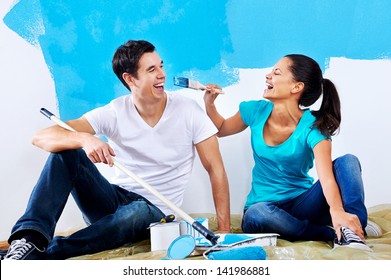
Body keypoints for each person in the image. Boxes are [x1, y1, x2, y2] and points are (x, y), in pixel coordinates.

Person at [2, 40, 230, 260]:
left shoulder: (188, 111)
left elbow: (216, 169)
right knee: (66, 152)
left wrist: (225, 229)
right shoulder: (114, 112)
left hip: (156, 211)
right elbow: (40, 137)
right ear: (130, 79)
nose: (162, 74)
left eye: (161, 66)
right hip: (114, 200)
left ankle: (47, 254)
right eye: (151, 69)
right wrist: (83, 139)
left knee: (138, 211)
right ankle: (28, 240)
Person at [203, 54, 380, 250]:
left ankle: (354, 226)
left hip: (303, 204)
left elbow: (327, 177)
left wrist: (337, 210)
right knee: (257, 213)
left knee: (348, 161)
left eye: (276, 72)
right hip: (264, 209)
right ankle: (332, 232)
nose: (268, 76)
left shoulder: (313, 127)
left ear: (296, 87)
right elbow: (221, 129)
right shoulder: (254, 110)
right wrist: (210, 103)